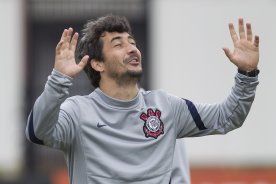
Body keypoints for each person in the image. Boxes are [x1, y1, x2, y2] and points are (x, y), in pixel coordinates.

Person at [26, 15, 259, 184]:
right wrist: (59, 79)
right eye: (118, 44)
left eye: (132, 42)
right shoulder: (77, 112)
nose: (131, 49)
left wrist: (247, 74)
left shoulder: (166, 107)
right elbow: (38, 132)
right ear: (98, 64)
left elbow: (227, 118)